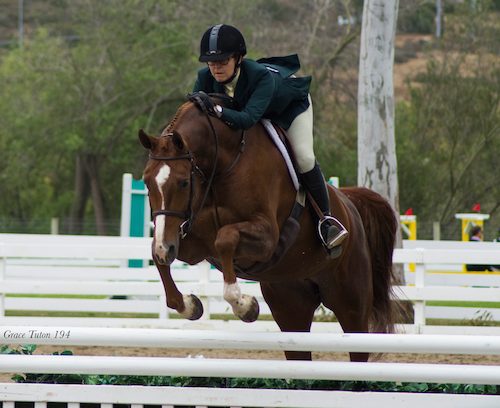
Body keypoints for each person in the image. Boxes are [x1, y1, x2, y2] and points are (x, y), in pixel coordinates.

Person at [192, 23, 348, 250]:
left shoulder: (260, 78)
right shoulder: (204, 77)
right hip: (250, 110)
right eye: (211, 62)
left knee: (303, 158)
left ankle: (326, 220)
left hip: (289, 107)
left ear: (238, 58)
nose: (216, 68)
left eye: (223, 61)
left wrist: (216, 111)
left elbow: (247, 119)